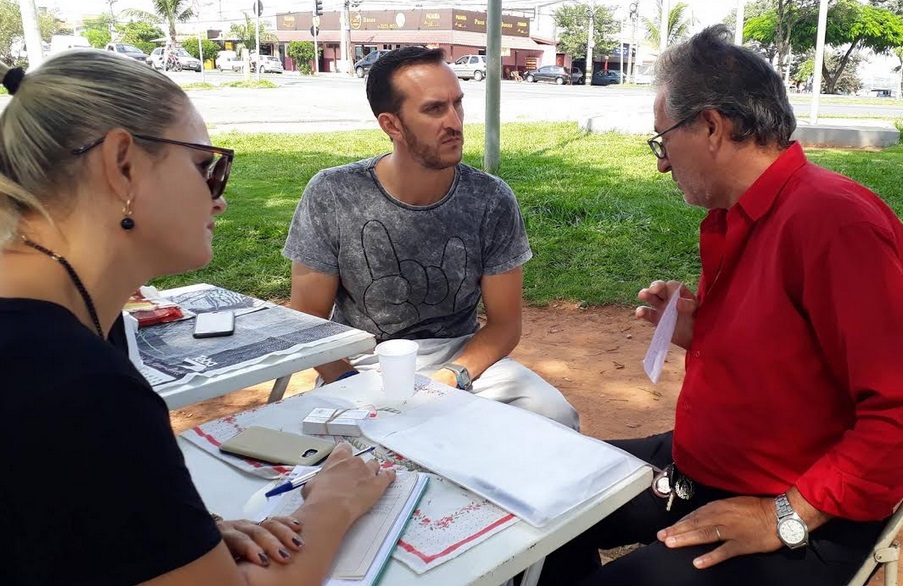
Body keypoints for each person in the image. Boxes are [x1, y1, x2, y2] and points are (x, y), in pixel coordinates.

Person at [0, 51, 394, 585]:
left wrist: (185, 534)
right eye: (205, 166)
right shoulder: (72, 382)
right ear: (122, 164)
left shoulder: (84, 323)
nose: (219, 199)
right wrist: (332, 503)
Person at [538, 25, 903, 586]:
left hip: (800, 503)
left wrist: (787, 515)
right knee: (544, 502)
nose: (662, 164)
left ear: (711, 126)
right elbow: (788, 354)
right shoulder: (736, 214)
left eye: (663, 141)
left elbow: (896, 412)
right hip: (703, 466)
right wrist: (698, 327)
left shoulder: (834, 222)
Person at [283, 46, 579, 430]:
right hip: (361, 361)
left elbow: (505, 324)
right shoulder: (334, 193)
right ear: (391, 125)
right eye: (434, 109)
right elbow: (308, 322)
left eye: (458, 104)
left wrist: (451, 378)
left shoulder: (489, 198)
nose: (454, 122)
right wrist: (351, 384)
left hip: (460, 355)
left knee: (554, 417)